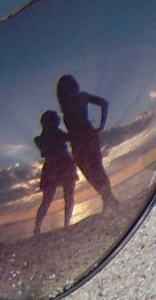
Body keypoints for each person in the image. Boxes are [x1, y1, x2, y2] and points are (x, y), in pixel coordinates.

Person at [56, 74, 118, 209]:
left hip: (86, 138)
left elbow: (104, 103)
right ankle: (108, 198)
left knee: (96, 169)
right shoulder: (68, 106)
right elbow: (72, 132)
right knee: (89, 172)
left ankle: (109, 198)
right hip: (77, 143)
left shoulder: (81, 97)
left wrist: (101, 125)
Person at [33, 111, 77, 235]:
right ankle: (63, 224)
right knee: (62, 197)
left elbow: (70, 137)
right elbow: (70, 137)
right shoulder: (45, 137)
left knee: (52, 199)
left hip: (57, 166)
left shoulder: (40, 139)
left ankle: (40, 227)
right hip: (59, 165)